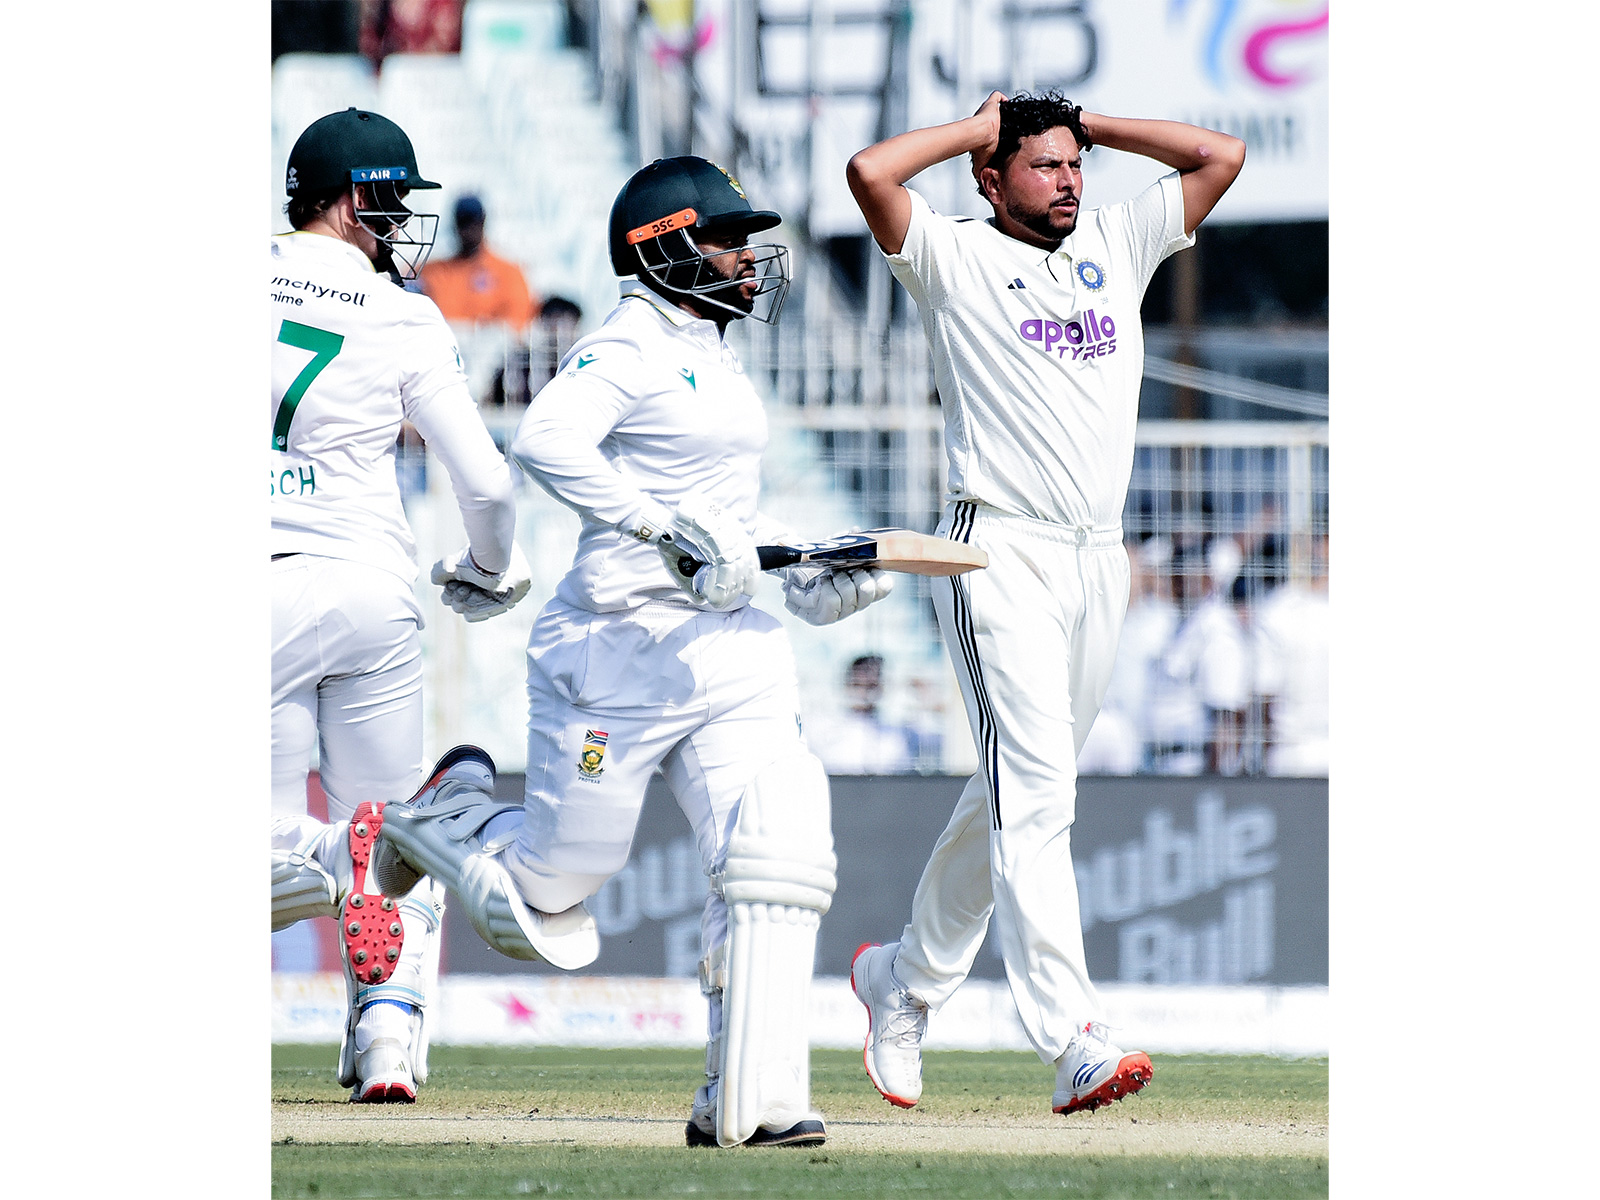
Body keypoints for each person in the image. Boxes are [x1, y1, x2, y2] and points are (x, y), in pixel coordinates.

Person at [371, 156, 893, 1148]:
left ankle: (752, 1095)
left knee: (771, 846)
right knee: (544, 904)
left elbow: (726, 515)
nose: (747, 257)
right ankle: (445, 816)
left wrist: (799, 568)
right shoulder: (629, 341)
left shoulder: (715, 348)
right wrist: (663, 532)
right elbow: (546, 442)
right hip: (616, 649)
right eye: (727, 237)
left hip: (728, 647)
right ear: (665, 247)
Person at [842, 90, 1243, 1115]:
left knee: (1018, 789)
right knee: (1036, 793)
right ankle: (1070, 1037)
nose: (1068, 181)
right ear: (989, 176)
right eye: (1042, 166)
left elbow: (1219, 153)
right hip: (996, 551)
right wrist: (977, 130)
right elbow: (869, 174)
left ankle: (905, 978)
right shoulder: (951, 255)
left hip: (1095, 558)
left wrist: (1093, 126)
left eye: (1075, 165)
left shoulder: (1117, 234)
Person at [269, 107, 533, 1103]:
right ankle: (385, 1039)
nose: (399, 221)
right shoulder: (404, 313)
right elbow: (490, 486)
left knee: (264, 848)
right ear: (345, 199)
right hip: (374, 592)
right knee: (387, 841)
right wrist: (489, 569)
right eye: (387, 199)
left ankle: (347, 853)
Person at [420, 194, 541, 331]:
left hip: (494, 350)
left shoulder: (509, 273)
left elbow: (518, 322)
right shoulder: (434, 273)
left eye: (474, 222)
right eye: (463, 223)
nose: (469, 230)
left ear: (483, 223)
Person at [810, 654, 916, 775]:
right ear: (847, 684)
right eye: (858, 684)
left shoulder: (898, 734)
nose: (863, 692)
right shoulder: (822, 730)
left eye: (871, 686)